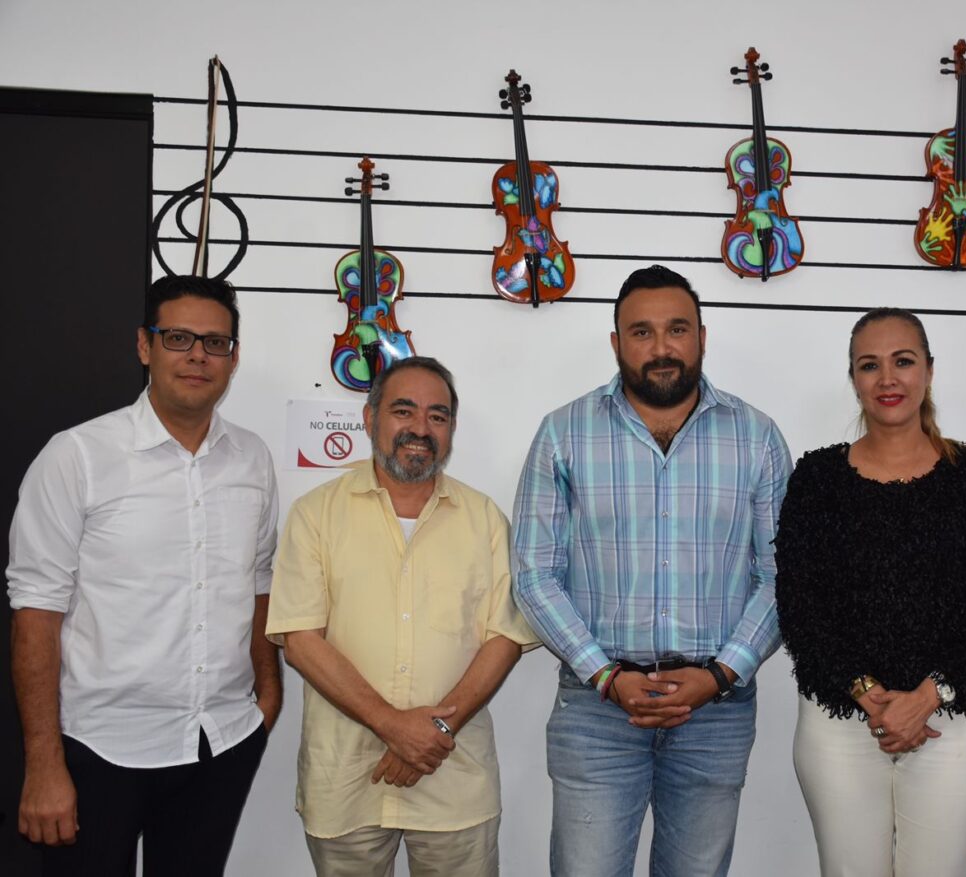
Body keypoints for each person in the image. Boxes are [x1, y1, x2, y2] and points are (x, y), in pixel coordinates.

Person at [512, 264, 792, 877]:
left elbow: (783, 575)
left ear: (701, 337)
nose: (661, 347)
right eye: (641, 332)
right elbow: (534, 574)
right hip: (597, 711)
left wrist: (721, 674)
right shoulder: (563, 434)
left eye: (677, 329)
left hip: (715, 713)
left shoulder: (757, 438)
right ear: (616, 343)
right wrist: (605, 675)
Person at [7, 275, 281, 876]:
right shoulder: (76, 457)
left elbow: (259, 581)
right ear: (144, 345)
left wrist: (268, 693)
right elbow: (36, 612)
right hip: (100, 749)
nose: (198, 356)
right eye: (178, 337)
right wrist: (44, 763)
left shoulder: (254, 459)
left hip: (220, 742)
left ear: (233, 357)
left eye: (215, 343)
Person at [774, 307, 966, 877]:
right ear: (853, 378)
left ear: (929, 370)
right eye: (870, 365)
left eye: (903, 361)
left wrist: (930, 695)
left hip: (953, 722)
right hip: (840, 724)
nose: (887, 379)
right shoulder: (817, 480)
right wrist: (865, 691)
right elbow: (801, 605)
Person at [266, 356, 538, 877]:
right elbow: (300, 640)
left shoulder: (485, 519)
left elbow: (505, 637)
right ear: (370, 418)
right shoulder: (315, 514)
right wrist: (393, 725)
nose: (421, 428)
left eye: (437, 416)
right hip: (347, 781)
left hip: (453, 779)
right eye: (403, 411)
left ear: (452, 428)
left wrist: (433, 729)